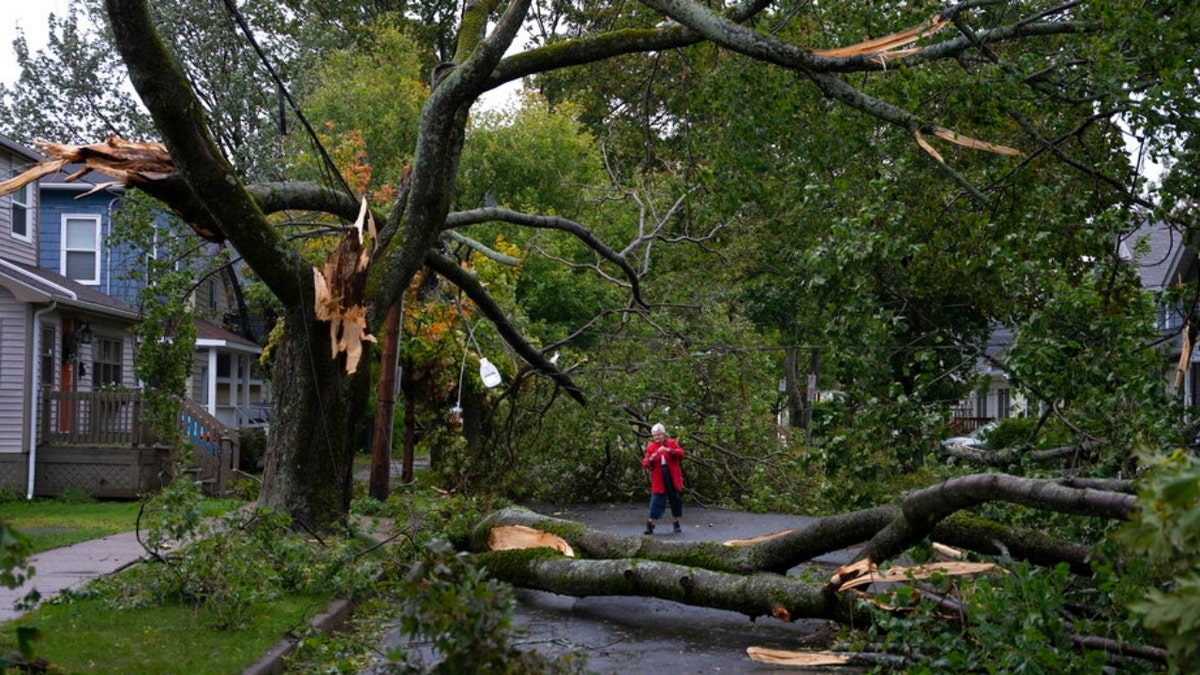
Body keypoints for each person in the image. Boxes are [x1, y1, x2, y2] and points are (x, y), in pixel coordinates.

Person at [641, 422, 684, 534]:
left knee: (674, 498)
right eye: (655, 435)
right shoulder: (651, 446)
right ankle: (650, 524)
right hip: (658, 477)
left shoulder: (671, 442)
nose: (657, 437)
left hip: (671, 475)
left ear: (663, 434)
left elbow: (680, 453)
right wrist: (651, 458)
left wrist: (669, 450)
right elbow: (645, 464)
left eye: (659, 434)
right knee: (656, 499)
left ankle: (676, 523)